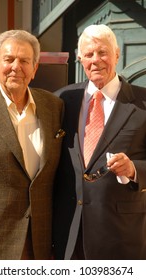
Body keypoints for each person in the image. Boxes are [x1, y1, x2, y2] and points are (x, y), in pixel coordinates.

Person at [53, 24, 146, 260]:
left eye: (103, 52)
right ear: (79, 59)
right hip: (69, 237)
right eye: (89, 54)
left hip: (122, 237)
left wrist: (135, 169)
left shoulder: (142, 102)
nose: (96, 60)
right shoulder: (62, 100)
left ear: (117, 54)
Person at [0, 29, 64, 260]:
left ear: (34, 69)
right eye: (9, 59)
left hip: (41, 245)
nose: (16, 67)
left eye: (24, 61)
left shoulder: (54, 106)